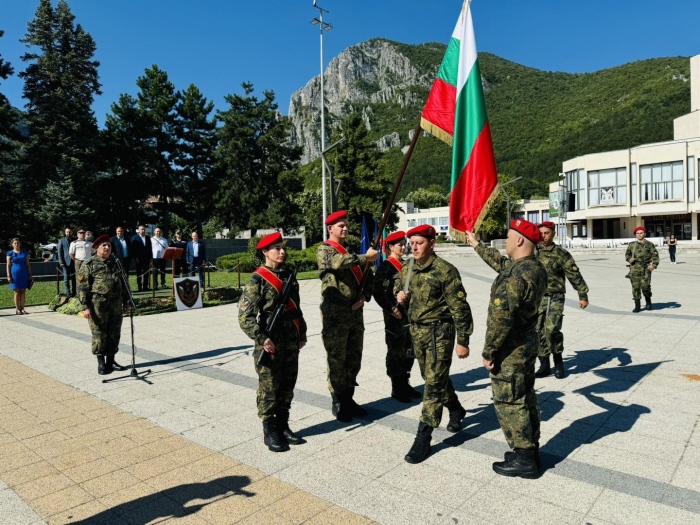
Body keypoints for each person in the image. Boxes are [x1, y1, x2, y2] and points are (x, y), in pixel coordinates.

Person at [465, 220, 547, 478]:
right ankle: (530, 449)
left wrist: (489, 351)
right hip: (527, 344)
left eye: (509, 236)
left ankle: (524, 458)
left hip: (510, 350)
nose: (506, 240)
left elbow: (501, 319)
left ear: (520, 240)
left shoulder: (515, 275)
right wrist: (477, 245)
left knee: (510, 400)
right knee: (526, 396)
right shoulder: (534, 268)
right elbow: (502, 264)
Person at [396, 225, 473, 464]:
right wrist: (399, 296)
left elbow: (461, 308)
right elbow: (399, 289)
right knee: (432, 377)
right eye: (412, 243)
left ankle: (423, 437)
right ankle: (456, 408)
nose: (414, 247)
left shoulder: (445, 271)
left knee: (432, 383)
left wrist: (463, 341)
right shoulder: (408, 267)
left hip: (439, 333)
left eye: (419, 242)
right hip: (417, 332)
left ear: (432, 244)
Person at [238, 232, 307, 452]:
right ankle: (270, 430)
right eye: (276, 248)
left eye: (282, 247)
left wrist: (302, 332)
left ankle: (283, 425)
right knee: (269, 387)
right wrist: (261, 337)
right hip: (270, 341)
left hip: (290, 340)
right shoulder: (256, 281)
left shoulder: (288, 276)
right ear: (265, 252)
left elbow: (296, 308)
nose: (282, 251)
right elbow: (245, 316)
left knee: (288, 384)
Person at [317, 210, 378, 422]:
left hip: (355, 313)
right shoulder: (325, 250)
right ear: (330, 229)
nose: (344, 228)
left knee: (354, 356)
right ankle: (338, 400)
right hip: (335, 314)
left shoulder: (351, 252)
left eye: (346, 225)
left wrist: (365, 295)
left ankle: (349, 397)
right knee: (337, 358)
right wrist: (365, 257)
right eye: (340, 225)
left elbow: (368, 275)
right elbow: (337, 263)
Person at [534, 221, 589, 379]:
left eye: (547, 233)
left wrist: (582, 295)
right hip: (537, 296)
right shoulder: (532, 250)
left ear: (553, 234)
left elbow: (574, 274)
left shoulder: (561, 253)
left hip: (555, 295)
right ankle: (544, 364)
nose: (543, 236)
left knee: (551, 330)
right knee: (537, 330)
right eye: (541, 233)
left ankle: (558, 361)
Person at [372, 230, 421, 403]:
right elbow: (378, 292)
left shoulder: (407, 265)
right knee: (395, 351)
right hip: (395, 316)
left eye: (403, 244)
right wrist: (391, 307)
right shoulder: (386, 267)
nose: (403, 247)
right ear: (390, 247)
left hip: (409, 315)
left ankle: (405, 381)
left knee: (409, 350)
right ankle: (396, 386)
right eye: (399, 244)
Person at [78, 234, 130, 375]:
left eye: (109, 245)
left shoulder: (117, 262)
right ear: (97, 248)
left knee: (114, 333)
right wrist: (85, 307)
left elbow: (124, 283)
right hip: (98, 305)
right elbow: (82, 287)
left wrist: (127, 301)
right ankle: (101, 363)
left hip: (116, 304)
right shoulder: (89, 264)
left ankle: (111, 361)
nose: (107, 247)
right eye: (104, 245)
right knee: (99, 333)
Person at [626, 226, 659, 312]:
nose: (639, 235)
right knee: (635, 287)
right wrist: (629, 259)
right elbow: (627, 255)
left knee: (645, 286)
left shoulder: (649, 244)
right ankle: (637, 305)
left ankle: (648, 301)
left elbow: (655, 255)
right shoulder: (632, 245)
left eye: (641, 233)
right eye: (637, 233)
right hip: (634, 268)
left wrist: (654, 265)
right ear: (635, 235)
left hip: (646, 268)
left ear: (644, 234)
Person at [6, 238, 33, 315]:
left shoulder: (25, 253)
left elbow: (28, 265)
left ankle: (22, 308)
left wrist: (30, 274)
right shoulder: (10, 253)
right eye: (15, 243)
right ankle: (17, 309)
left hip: (24, 273)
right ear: (12, 244)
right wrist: (8, 275)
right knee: (17, 291)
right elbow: (8, 265)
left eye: (18, 243)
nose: (16, 244)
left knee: (23, 291)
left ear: (20, 244)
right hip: (15, 274)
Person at [131, 225, 153, 291]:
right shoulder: (135, 238)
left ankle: (145, 286)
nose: (143, 231)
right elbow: (133, 249)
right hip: (139, 259)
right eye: (141, 229)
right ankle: (139, 287)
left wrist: (151, 258)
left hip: (146, 258)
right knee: (139, 273)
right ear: (138, 230)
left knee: (146, 273)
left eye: (144, 229)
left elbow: (150, 248)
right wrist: (135, 257)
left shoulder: (148, 238)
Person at [57, 227, 75, 299]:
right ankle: (68, 294)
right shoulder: (61, 241)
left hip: (74, 262)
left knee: (74, 279)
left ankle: (74, 293)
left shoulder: (74, 241)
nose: (68, 233)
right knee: (66, 279)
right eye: (67, 232)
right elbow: (59, 252)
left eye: (70, 232)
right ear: (65, 232)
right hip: (65, 262)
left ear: (72, 232)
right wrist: (61, 262)